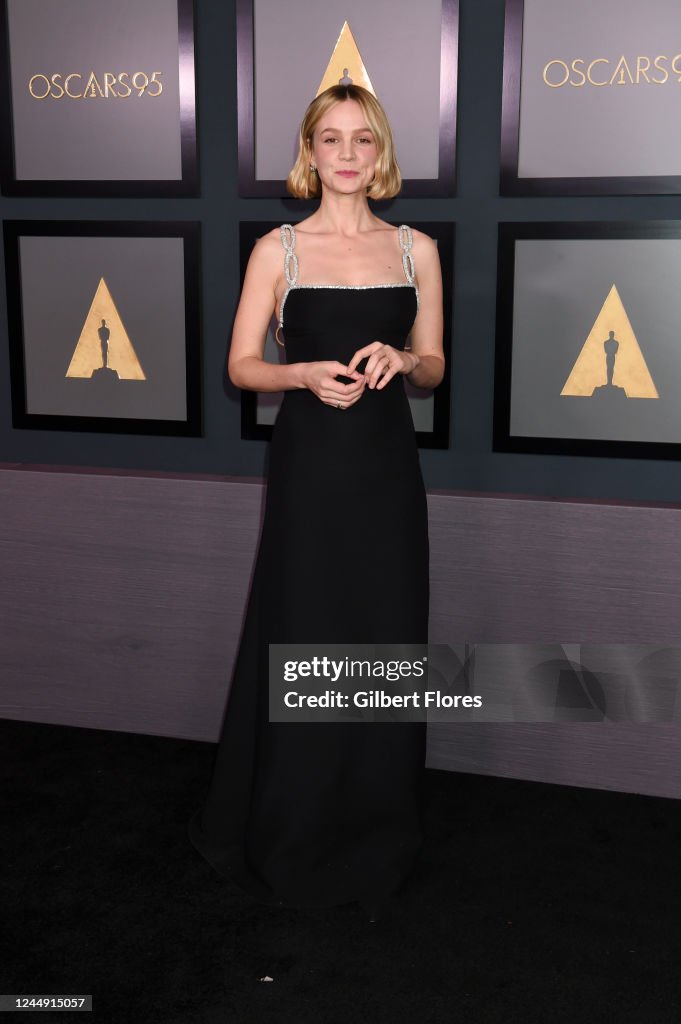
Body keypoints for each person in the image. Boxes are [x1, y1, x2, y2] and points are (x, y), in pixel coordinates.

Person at [188, 83, 444, 922]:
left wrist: (404, 364)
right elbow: (239, 366)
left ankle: (375, 825)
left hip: (383, 472)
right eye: (329, 139)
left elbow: (435, 364)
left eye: (362, 140)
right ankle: (293, 825)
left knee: (382, 626)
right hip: (309, 470)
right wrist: (297, 373)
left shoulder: (416, 250)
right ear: (308, 152)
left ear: (380, 155)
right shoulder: (278, 250)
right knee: (304, 626)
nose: (345, 153)